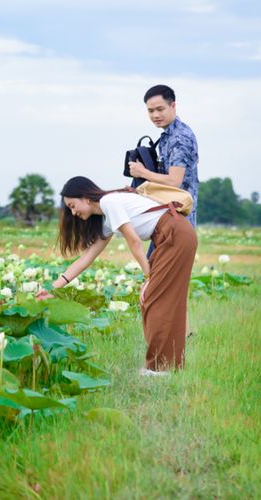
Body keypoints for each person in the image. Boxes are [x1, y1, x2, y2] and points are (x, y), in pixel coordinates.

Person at [49, 176, 197, 374]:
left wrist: (148, 277)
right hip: (172, 234)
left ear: (85, 197)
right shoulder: (107, 216)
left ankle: (159, 369)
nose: (73, 213)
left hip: (174, 234)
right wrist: (53, 288)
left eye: (73, 206)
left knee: (155, 299)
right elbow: (87, 258)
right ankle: (167, 366)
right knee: (158, 300)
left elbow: (134, 242)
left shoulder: (109, 202)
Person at [128, 84, 199, 228]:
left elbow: (174, 181)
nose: (155, 115)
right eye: (151, 111)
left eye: (160, 109)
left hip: (179, 221)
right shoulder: (169, 136)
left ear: (173, 106)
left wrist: (143, 172)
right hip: (168, 216)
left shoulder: (180, 138)